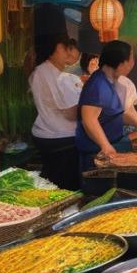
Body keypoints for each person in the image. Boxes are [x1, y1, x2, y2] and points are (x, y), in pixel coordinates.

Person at [75, 41, 137, 173]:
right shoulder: (98, 84)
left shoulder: (112, 81)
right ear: (120, 64)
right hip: (97, 153)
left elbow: (124, 112)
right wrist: (105, 146)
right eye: (131, 59)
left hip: (113, 145)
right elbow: (89, 120)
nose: (132, 64)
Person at [30, 34, 84, 189]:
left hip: (43, 133)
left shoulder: (39, 71)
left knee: (52, 179)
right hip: (62, 136)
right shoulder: (58, 76)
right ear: (52, 50)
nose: (68, 53)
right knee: (65, 183)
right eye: (63, 48)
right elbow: (70, 113)